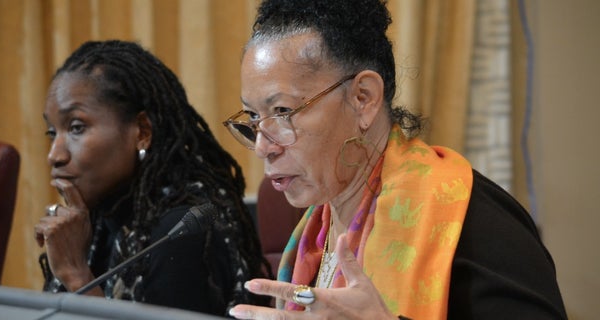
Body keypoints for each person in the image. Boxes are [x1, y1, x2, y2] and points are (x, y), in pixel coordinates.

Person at [222, 0, 568, 319]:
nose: (264, 146)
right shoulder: (313, 231)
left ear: (363, 98)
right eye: (253, 118)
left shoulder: (472, 219)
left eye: (283, 111)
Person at [33, 40, 270, 316]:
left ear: (142, 130)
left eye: (76, 127)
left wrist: (75, 273)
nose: (55, 155)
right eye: (52, 133)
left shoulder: (183, 230)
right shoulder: (96, 222)